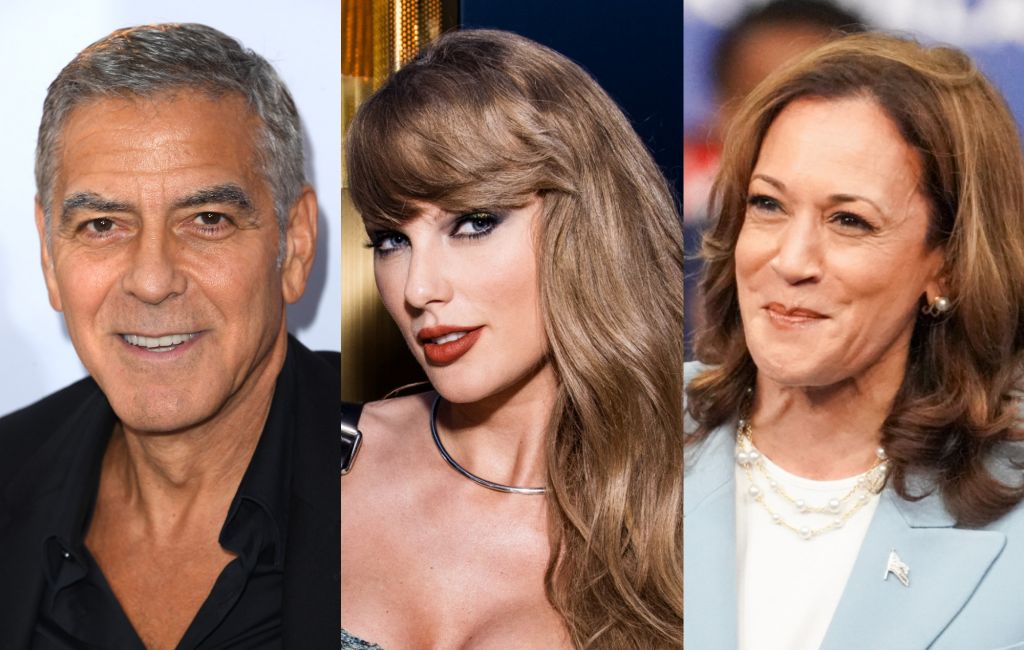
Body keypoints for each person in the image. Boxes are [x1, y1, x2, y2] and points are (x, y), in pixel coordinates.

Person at [0, 23, 339, 648]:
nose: (152, 281)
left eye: (207, 220)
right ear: (50, 259)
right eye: (103, 224)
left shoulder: (412, 471)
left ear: (294, 245)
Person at [341, 29, 683, 649]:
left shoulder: (686, 514)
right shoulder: (319, 460)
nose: (418, 287)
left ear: (587, 225)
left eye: (474, 222)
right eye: (391, 239)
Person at [685, 32, 1024, 649]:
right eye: (768, 205)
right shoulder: (623, 428)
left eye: (849, 220)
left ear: (946, 265)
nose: (791, 260)